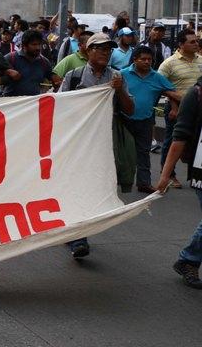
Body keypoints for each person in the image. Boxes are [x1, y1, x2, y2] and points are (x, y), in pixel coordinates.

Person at [57, 32, 135, 259]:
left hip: (104, 143)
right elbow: (59, 107)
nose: (105, 53)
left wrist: (119, 90)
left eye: (108, 49)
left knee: (95, 187)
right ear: (88, 51)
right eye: (100, 48)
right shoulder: (74, 76)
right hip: (78, 142)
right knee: (78, 186)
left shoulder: (117, 76)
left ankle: (77, 230)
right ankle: (78, 236)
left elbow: (130, 109)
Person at [157, 77, 202, 289]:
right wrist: (165, 175)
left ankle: (189, 259)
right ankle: (189, 260)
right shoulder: (195, 95)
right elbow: (180, 136)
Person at [122, 45, 180, 193]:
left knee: (144, 152)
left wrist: (174, 108)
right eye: (143, 59)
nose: (147, 62)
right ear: (135, 59)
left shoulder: (157, 77)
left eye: (150, 59)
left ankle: (144, 183)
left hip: (145, 120)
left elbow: (172, 92)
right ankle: (117, 180)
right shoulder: (122, 74)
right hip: (123, 120)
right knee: (122, 153)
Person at [158, 30, 202, 189]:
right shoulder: (169, 63)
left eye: (197, 41)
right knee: (173, 140)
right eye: (192, 42)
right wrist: (174, 105)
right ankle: (168, 174)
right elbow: (160, 85)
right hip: (176, 108)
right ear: (181, 44)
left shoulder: (201, 60)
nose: (196, 44)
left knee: (197, 142)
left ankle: (196, 174)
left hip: (198, 110)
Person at [3, 30, 54, 96]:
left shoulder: (44, 62)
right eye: (34, 44)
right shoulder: (10, 58)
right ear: (24, 45)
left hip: (33, 101)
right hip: (11, 101)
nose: (38, 48)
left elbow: (53, 80)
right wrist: (7, 72)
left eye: (39, 44)